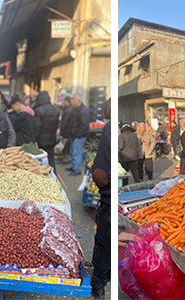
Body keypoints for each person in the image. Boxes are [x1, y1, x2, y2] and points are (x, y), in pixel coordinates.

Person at [88, 121, 112, 298]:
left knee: (104, 245)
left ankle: (99, 282)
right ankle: (99, 281)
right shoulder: (111, 128)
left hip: (108, 201)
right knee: (108, 245)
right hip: (110, 200)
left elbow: (98, 172)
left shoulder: (109, 128)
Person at [33, 91, 61, 168]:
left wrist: (35, 140)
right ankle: (53, 174)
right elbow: (56, 126)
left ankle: (44, 176)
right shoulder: (56, 109)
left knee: (41, 159)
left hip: (41, 140)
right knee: (51, 158)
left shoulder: (38, 110)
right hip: (52, 138)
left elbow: (37, 127)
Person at [66, 95, 92, 176]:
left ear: (78, 101)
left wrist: (78, 135)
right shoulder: (77, 109)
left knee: (77, 153)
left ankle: (77, 169)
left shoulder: (83, 111)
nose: (71, 101)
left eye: (73, 99)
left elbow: (84, 126)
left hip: (78, 136)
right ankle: (74, 166)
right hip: (74, 135)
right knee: (73, 152)